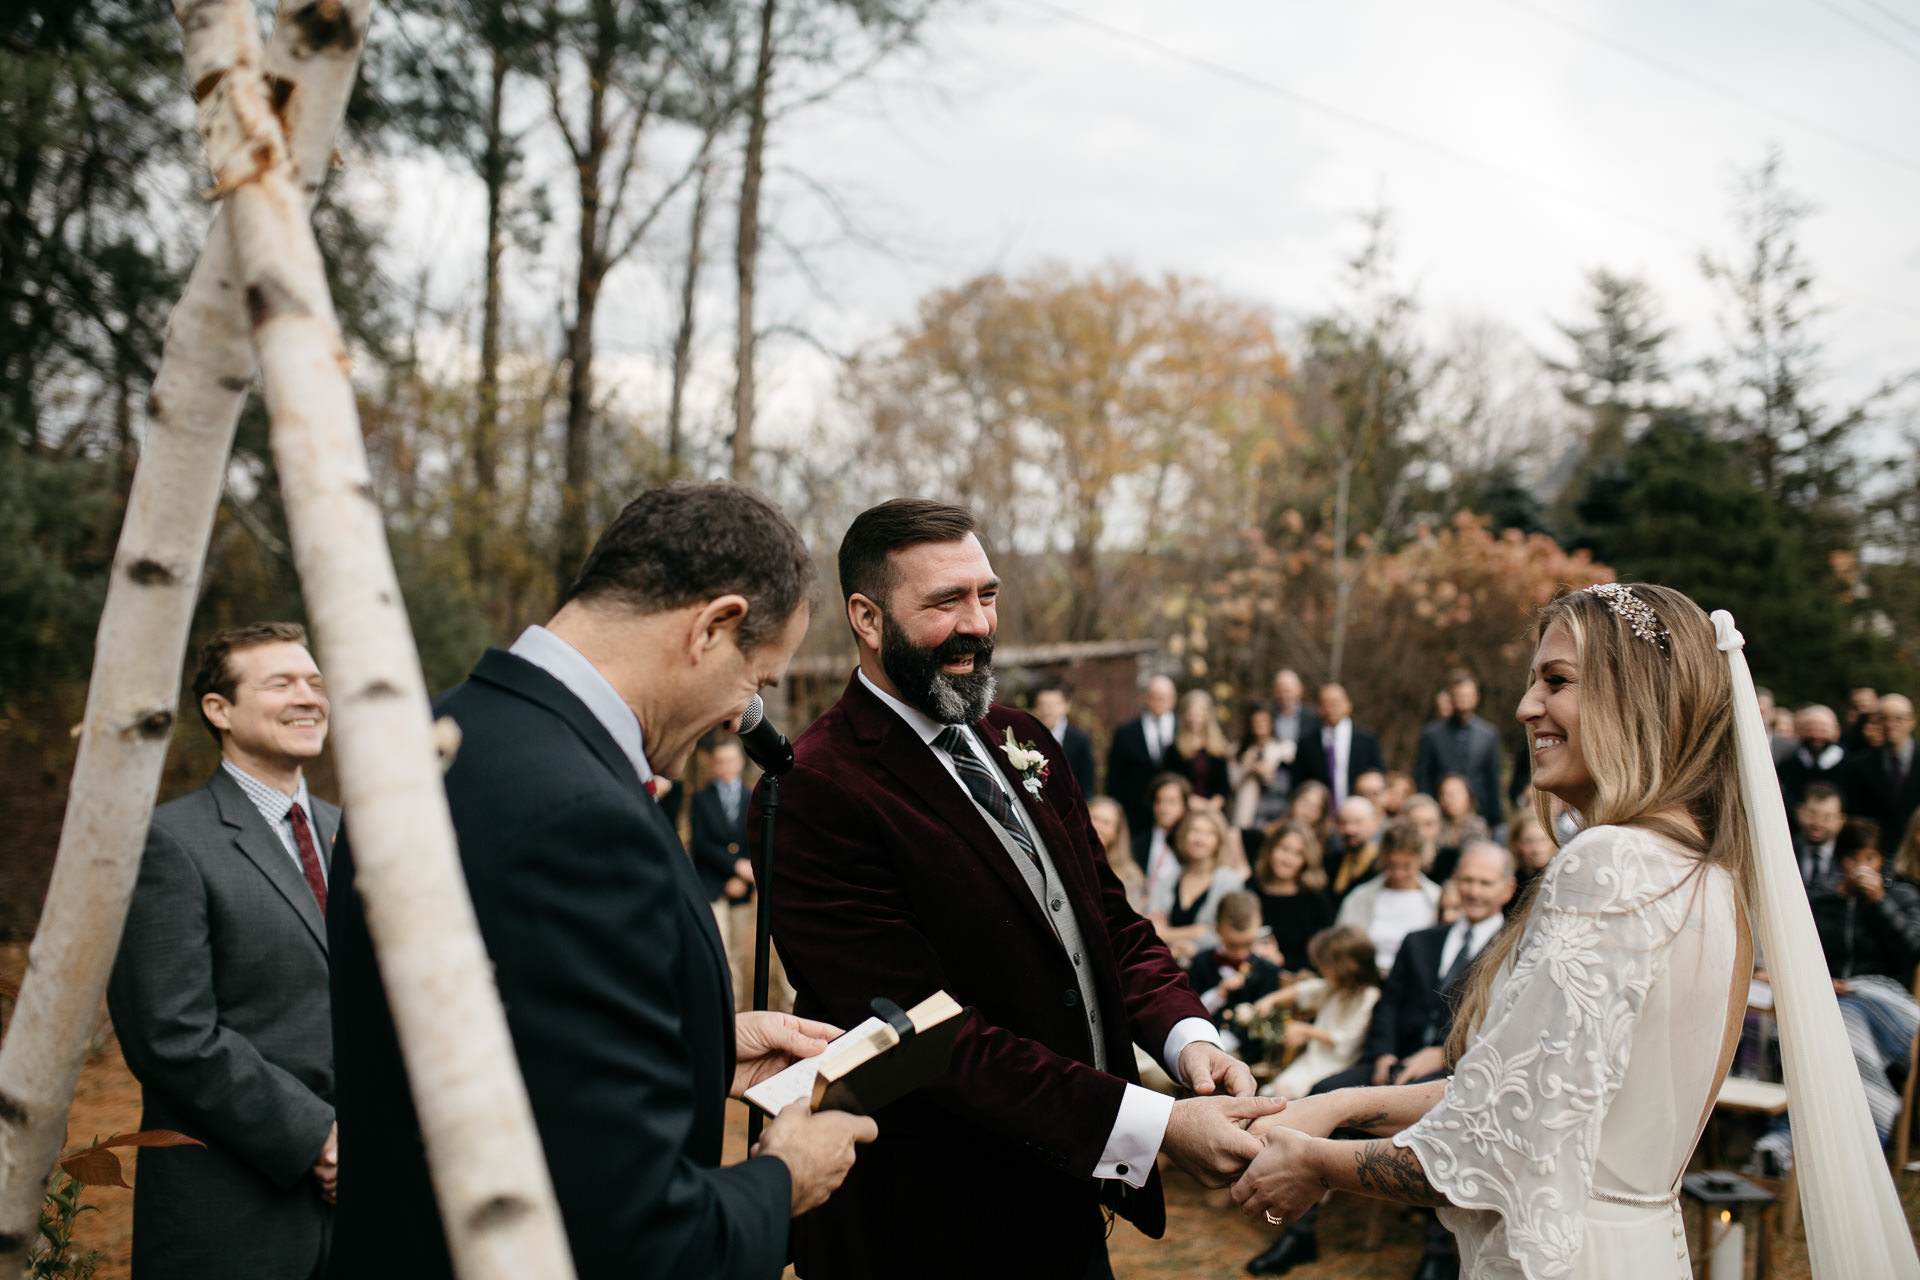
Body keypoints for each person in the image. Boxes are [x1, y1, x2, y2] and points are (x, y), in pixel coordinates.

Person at [326, 483, 875, 1279]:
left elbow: (505, 1052)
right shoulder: (582, 819)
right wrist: (785, 1178)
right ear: (711, 627)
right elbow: (631, 1237)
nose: (739, 718)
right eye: (755, 679)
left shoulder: (433, 745)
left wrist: (704, 1049)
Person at [768, 499, 1278, 1280]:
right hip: (928, 1218)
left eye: (988, 595)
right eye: (945, 602)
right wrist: (1156, 1127)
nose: (978, 624)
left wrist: (1189, 1040)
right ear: (866, 619)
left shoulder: (1023, 739)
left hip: (1062, 1191)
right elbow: (922, 1036)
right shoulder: (817, 785)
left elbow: (1106, 920)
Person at [1233, 583, 1756, 1280]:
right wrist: (1337, 1103)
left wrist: (1316, 1164)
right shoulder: (1709, 877)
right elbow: (1522, 1092)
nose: (1525, 707)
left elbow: (1499, 1141)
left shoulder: (1610, 864)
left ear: (1639, 699)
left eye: (1557, 681)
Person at [108, 623, 339, 1280]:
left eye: (316, 683)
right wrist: (317, 1138)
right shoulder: (167, 842)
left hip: (363, 1211)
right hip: (233, 1216)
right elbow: (169, 1032)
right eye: (281, 683)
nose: (308, 697)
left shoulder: (351, 832)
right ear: (221, 710)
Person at [1248, 843, 1515, 1280]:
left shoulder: (1515, 950)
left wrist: (1447, 1051)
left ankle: (1437, 1254)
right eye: (1466, 880)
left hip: (1459, 1072)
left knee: (1442, 1120)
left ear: (1506, 889)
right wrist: (1384, 1052)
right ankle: (1299, 1231)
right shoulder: (1421, 941)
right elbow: (1389, 1005)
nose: (1473, 891)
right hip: (1391, 1061)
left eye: (1484, 883)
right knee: (1324, 1092)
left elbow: (1506, 1025)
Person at [1750, 818, 1920, 1176]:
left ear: (1882, 861)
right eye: (1853, 857)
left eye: (1871, 858)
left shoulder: (1903, 895)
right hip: (1824, 995)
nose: (1862, 866)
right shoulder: (1821, 899)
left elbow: (1911, 953)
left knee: (1838, 1021)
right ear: (1840, 860)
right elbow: (1795, 949)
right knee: (1798, 1024)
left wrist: (1879, 901)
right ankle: (1796, 1143)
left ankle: (1820, 1144)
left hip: (1884, 998)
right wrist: (1819, 981)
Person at [690, 737, 783, 1010]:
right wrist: (733, 868)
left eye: (731, 760)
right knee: (722, 954)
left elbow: (755, 839)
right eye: (720, 761)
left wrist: (746, 874)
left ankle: (742, 1011)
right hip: (713, 887)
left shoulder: (752, 797)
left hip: (744, 888)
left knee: (741, 955)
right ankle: (726, 1012)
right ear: (713, 764)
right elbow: (701, 845)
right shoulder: (700, 798)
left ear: (740, 762)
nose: (726, 766)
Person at [1254, 926, 1382, 1101]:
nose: (1320, 970)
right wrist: (1270, 1000)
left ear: (1342, 966)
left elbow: (1348, 1043)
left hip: (1337, 1065)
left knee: (1289, 1094)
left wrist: (1307, 1032)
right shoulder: (1335, 988)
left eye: (1324, 965)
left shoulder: (1369, 996)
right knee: (1275, 1091)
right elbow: (1304, 990)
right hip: (1312, 1060)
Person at [1333, 819, 1441, 975]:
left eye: (1406, 866)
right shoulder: (1360, 897)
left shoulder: (1436, 899)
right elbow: (1341, 946)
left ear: (1420, 859)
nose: (1398, 874)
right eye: (1392, 865)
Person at [1192, 891, 1285, 1053]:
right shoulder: (1201, 962)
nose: (1240, 954)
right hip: (1198, 1041)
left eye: (1248, 944)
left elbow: (1265, 1024)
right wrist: (1218, 994)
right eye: (1232, 945)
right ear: (1217, 929)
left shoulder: (1267, 970)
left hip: (1243, 1052)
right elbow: (1190, 1011)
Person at [1149, 807, 1246, 961]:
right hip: (1168, 964)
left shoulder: (1230, 882)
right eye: (1195, 831)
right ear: (1184, 836)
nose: (1200, 839)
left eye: (1209, 833)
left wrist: (1170, 934)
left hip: (1210, 969)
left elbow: (1226, 933)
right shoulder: (1166, 879)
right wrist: (1195, 931)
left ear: (1219, 840)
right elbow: (1152, 930)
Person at [1414, 671, 1504, 835]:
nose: (1463, 700)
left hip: (1478, 814)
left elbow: (1492, 779)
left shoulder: (1488, 734)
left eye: (1467, 695)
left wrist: (1495, 820)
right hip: (1439, 815)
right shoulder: (1431, 733)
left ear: (1476, 697)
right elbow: (1423, 777)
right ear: (1450, 697)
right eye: (1458, 695)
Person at [1247, 823, 1334, 974]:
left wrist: (1282, 960)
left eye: (1297, 854)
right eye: (1284, 849)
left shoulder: (1316, 900)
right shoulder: (1252, 888)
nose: (1288, 860)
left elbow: (1322, 958)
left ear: (1306, 860)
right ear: (1271, 849)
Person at [1846, 693, 1919, 855]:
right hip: (1876, 853)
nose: (1891, 725)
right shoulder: (1858, 765)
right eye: (1885, 718)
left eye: (1898, 719)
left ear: (1912, 721)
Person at [1296, 682, 1386, 808]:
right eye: (1324, 703)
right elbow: (1299, 785)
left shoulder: (1367, 740)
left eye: (1335, 703)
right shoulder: (1306, 744)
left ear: (1349, 705)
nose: (1330, 708)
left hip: (1359, 814)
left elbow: (1378, 776)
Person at [1107, 674, 1179, 833]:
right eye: (1155, 696)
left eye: (1164, 697)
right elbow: (1114, 777)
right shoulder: (1125, 732)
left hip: (1176, 818)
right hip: (1136, 817)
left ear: (1173, 700)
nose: (1159, 701)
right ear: (1146, 698)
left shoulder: (1184, 730)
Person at [1167, 687, 1233, 803]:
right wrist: (1191, 801)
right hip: (1185, 807)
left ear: (1207, 715)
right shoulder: (1175, 748)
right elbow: (1172, 782)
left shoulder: (1219, 747)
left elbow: (1224, 785)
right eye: (1191, 714)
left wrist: (1213, 805)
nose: (1195, 718)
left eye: (1199, 714)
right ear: (1185, 715)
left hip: (1213, 809)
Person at [1232, 705, 1294, 829]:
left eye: (1264, 721)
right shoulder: (1237, 750)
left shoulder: (1285, 751)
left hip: (1274, 811)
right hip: (1246, 810)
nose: (1259, 726)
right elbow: (1232, 784)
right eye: (1256, 722)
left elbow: (1285, 784)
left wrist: (1266, 772)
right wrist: (1246, 768)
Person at [1779, 703, 1847, 814]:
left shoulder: (1853, 766)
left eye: (1823, 729)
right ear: (1799, 731)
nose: (1816, 735)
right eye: (1810, 729)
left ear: (1837, 732)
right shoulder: (1787, 766)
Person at [1131, 772, 1192, 895]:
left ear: (1185, 806)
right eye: (1159, 801)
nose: (1163, 808)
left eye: (1171, 802)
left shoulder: (1191, 843)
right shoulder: (1137, 843)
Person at [1088, 796, 1150, 914]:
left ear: (1116, 833)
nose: (1098, 827)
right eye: (1094, 818)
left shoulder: (1129, 875)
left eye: (1106, 823)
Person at [1034, 684, 1098, 798]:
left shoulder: (1080, 740)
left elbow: (1087, 782)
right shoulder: (1028, 737)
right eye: (1042, 705)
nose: (1047, 710)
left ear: (1066, 706)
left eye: (1052, 705)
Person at [1266, 669, 1322, 799]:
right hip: (1273, 782)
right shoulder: (1268, 715)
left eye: (1288, 690)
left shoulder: (1314, 718)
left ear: (1299, 690)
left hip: (1304, 780)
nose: (1284, 694)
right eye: (1280, 689)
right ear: (1274, 691)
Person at [1428, 774, 1490, 884]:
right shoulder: (1433, 823)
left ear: (1468, 796)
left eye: (1456, 793)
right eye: (1444, 793)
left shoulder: (1477, 825)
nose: (1449, 798)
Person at [1793, 780, 1847, 888]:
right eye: (1811, 814)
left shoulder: (1848, 858)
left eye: (1827, 817)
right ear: (1799, 812)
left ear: (1841, 821)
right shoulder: (1783, 851)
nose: (1818, 823)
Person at [1326, 795, 1382, 896]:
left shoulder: (1383, 866)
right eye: (1343, 822)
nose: (1349, 829)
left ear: (1374, 824)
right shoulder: (1329, 863)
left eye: (1357, 822)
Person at [1507, 812, 1556, 901]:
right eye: (1529, 841)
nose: (1537, 849)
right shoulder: (1511, 881)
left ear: (1553, 841)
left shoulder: (1561, 878)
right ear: (1517, 843)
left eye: (1543, 840)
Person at [1285, 780, 1332, 851]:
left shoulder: (1329, 841)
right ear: (1294, 802)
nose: (1308, 811)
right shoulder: (1273, 832)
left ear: (1323, 814)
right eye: (1305, 803)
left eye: (1316, 808)